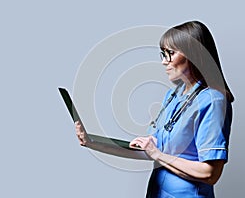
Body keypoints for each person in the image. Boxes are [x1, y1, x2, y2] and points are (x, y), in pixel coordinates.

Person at [75, 20, 234, 198]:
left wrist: (158, 154)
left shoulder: (212, 100)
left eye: (170, 53)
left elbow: (210, 173)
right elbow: (148, 152)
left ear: (194, 55)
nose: (164, 62)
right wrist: (93, 143)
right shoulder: (174, 95)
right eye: (163, 54)